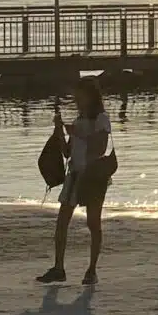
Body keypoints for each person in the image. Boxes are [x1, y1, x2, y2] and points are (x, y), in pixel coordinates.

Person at [38, 83, 115, 285]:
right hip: (74, 174)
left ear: (91, 97)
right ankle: (58, 267)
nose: (77, 100)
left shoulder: (101, 119)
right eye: (76, 97)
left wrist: (78, 133)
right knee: (62, 222)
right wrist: (59, 131)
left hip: (93, 176)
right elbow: (67, 153)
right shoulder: (79, 120)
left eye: (80, 96)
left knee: (93, 223)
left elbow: (99, 149)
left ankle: (91, 270)